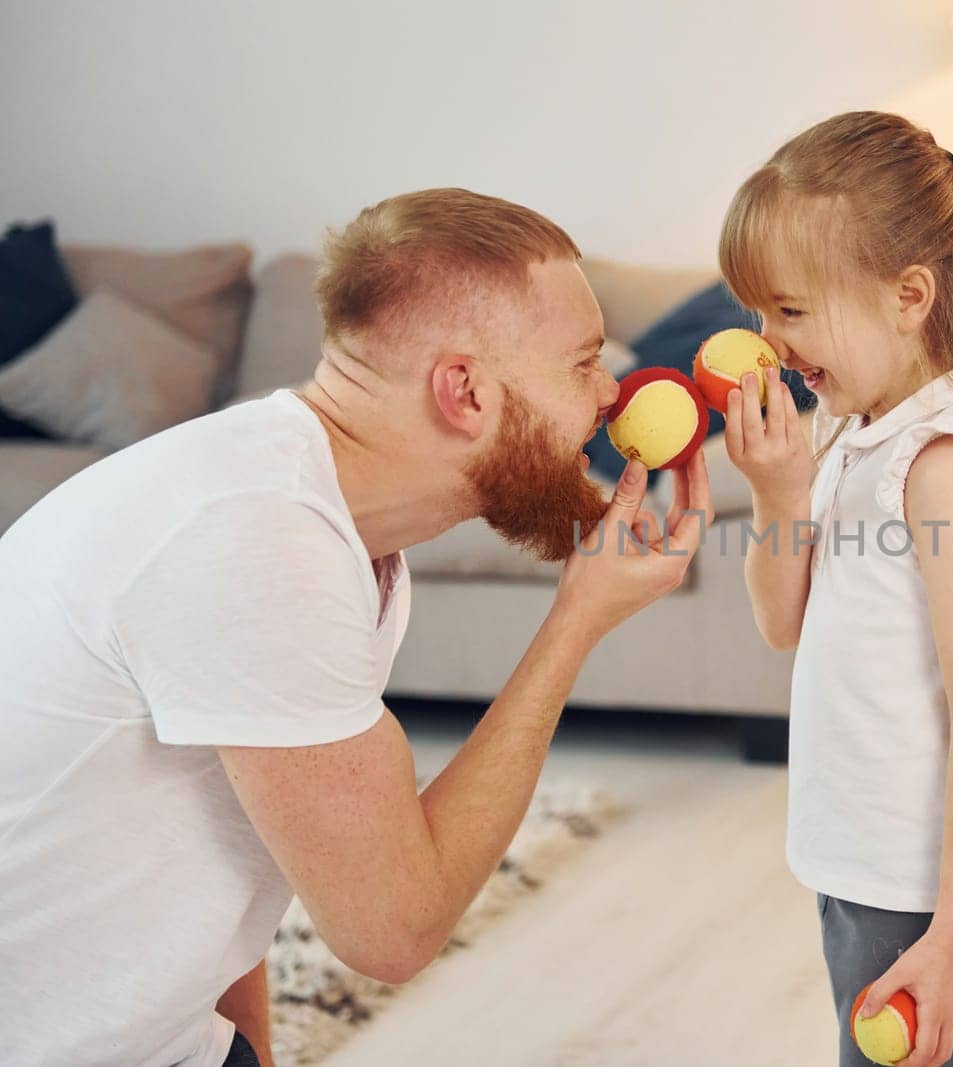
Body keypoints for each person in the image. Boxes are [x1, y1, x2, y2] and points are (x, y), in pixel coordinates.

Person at [0, 187, 711, 1067]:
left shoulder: (323, 517)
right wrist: (577, 621)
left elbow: (233, 833)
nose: (611, 394)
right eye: (582, 363)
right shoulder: (255, 543)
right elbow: (395, 928)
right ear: (465, 391)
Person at [719, 111, 953, 1067]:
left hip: (931, 892)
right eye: (760, 313)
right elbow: (779, 622)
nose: (768, 342)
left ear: (909, 296)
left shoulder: (949, 464)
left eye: (790, 311)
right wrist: (778, 493)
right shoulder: (855, 428)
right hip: (866, 865)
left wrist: (952, 936)